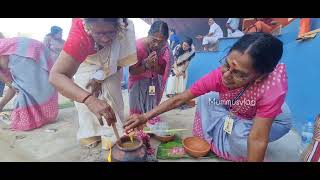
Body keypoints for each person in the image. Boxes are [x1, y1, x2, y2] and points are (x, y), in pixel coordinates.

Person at [124, 32, 298, 162]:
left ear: (259, 76)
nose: (227, 76)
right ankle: (217, 141)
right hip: (239, 108)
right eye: (227, 65)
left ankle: (234, 142)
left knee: (241, 136)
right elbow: (180, 98)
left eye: (239, 73)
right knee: (208, 99)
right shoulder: (221, 76)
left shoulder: (271, 89)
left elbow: (258, 138)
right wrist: (145, 116)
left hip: (275, 120)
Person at [49, 18, 137, 148]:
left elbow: (119, 61)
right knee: (85, 94)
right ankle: (90, 132)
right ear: (88, 29)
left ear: (118, 26)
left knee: (113, 95)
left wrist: (99, 77)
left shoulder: (125, 27)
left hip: (113, 63)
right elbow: (56, 76)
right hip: (86, 62)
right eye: (99, 33)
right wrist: (89, 100)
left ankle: (113, 134)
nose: (105, 39)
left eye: (110, 32)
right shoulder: (79, 37)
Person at [0, 37, 58, 131]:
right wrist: (1, 105)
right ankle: (45, 116)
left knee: (25, 89)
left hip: (25, 54)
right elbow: (13, 86)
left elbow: (13, 85)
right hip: (35, 49)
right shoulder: (6, 47)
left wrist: (9, 83)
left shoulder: (5, 54)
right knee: (38, 86)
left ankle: (27, 120)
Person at [128, 20, 171, 126]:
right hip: (137, 83)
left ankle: (149, 122)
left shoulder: (165, 49)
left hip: (153, 82)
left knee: (151, 108)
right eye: (154, 40)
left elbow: (163, 71)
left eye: (161, 41)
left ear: (166, 40)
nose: (157, 44)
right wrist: (146, 65)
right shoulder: (138, 47)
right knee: (136, 113)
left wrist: (155, 66)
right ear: (148, 35)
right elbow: (132, 71)